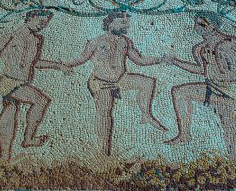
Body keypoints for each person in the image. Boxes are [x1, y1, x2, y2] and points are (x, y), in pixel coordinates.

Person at [62, 11, 170, 155]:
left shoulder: (124, 42)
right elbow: (81, 58)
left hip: (121, 80)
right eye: (122, 23)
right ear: (110, 22)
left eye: (126, 24)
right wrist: (65, 65)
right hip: (102, 82)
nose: (125, 27)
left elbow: (139, 59)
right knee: (104, 114)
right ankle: (103, 150)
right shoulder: (96, 41)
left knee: (147, 82)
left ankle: (146, 114)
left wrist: (160, 59)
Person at [167, 13, 236, 162]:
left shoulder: (232, 42)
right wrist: (175, 61)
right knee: (179, 92)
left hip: (231, 91)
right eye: (196, 23)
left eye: (202, 24)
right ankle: (184, 134)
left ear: (213, 26)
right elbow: (201, 70)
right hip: (212, 87)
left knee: (230, 128)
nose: (198, 27)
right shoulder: (200, 48)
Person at [0, 10, 67, 161]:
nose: (43, 26)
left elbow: (35, 63)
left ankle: (4, 157)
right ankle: (28, 139)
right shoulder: (11, 35)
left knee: (10, 111)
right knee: (41, 100)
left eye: (45, 24)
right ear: (31, 17)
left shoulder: (37, 40)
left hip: (22, 81)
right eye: (41, 22)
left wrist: (57, 65)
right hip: (9, 80)